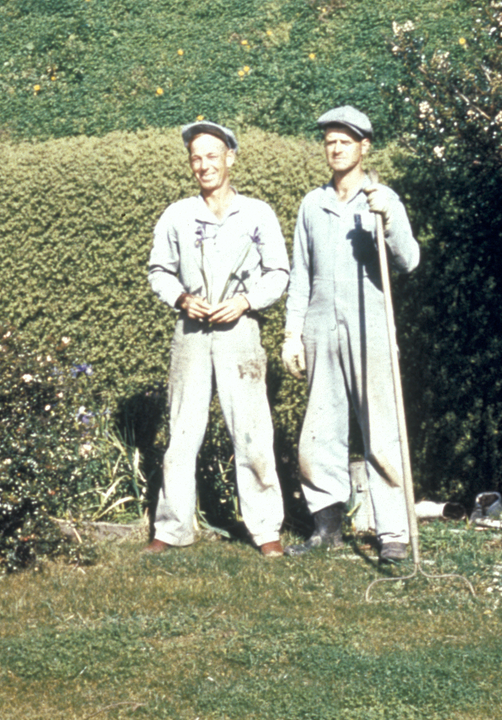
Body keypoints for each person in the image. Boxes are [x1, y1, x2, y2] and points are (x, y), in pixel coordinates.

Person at [281, 106, 420, 562]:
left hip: (370, 328)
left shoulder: (383, 198)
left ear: (364, 147)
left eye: (345, 140)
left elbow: (409, 261)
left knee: (381, 430)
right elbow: (300, 275)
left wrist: (390, 221)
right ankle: (327, 526)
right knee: (320, 430)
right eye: (329, 141)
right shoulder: (311, 204)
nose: (336, 148)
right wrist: (292, 333)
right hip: (322, 328)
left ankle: (393, 533)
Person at [146, 121, 290, 557]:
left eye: (212, 155)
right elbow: (159, 271)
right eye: (196, 157)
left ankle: (266, 530)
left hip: (239, 332)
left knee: (251, 431)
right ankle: (171, 528)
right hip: (191, 333)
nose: (204, 165)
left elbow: (279, 272)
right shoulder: (176, 215)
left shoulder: (257, 213)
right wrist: (181, 299)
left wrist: (246, 302)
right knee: (182, 432)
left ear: (231, 157)